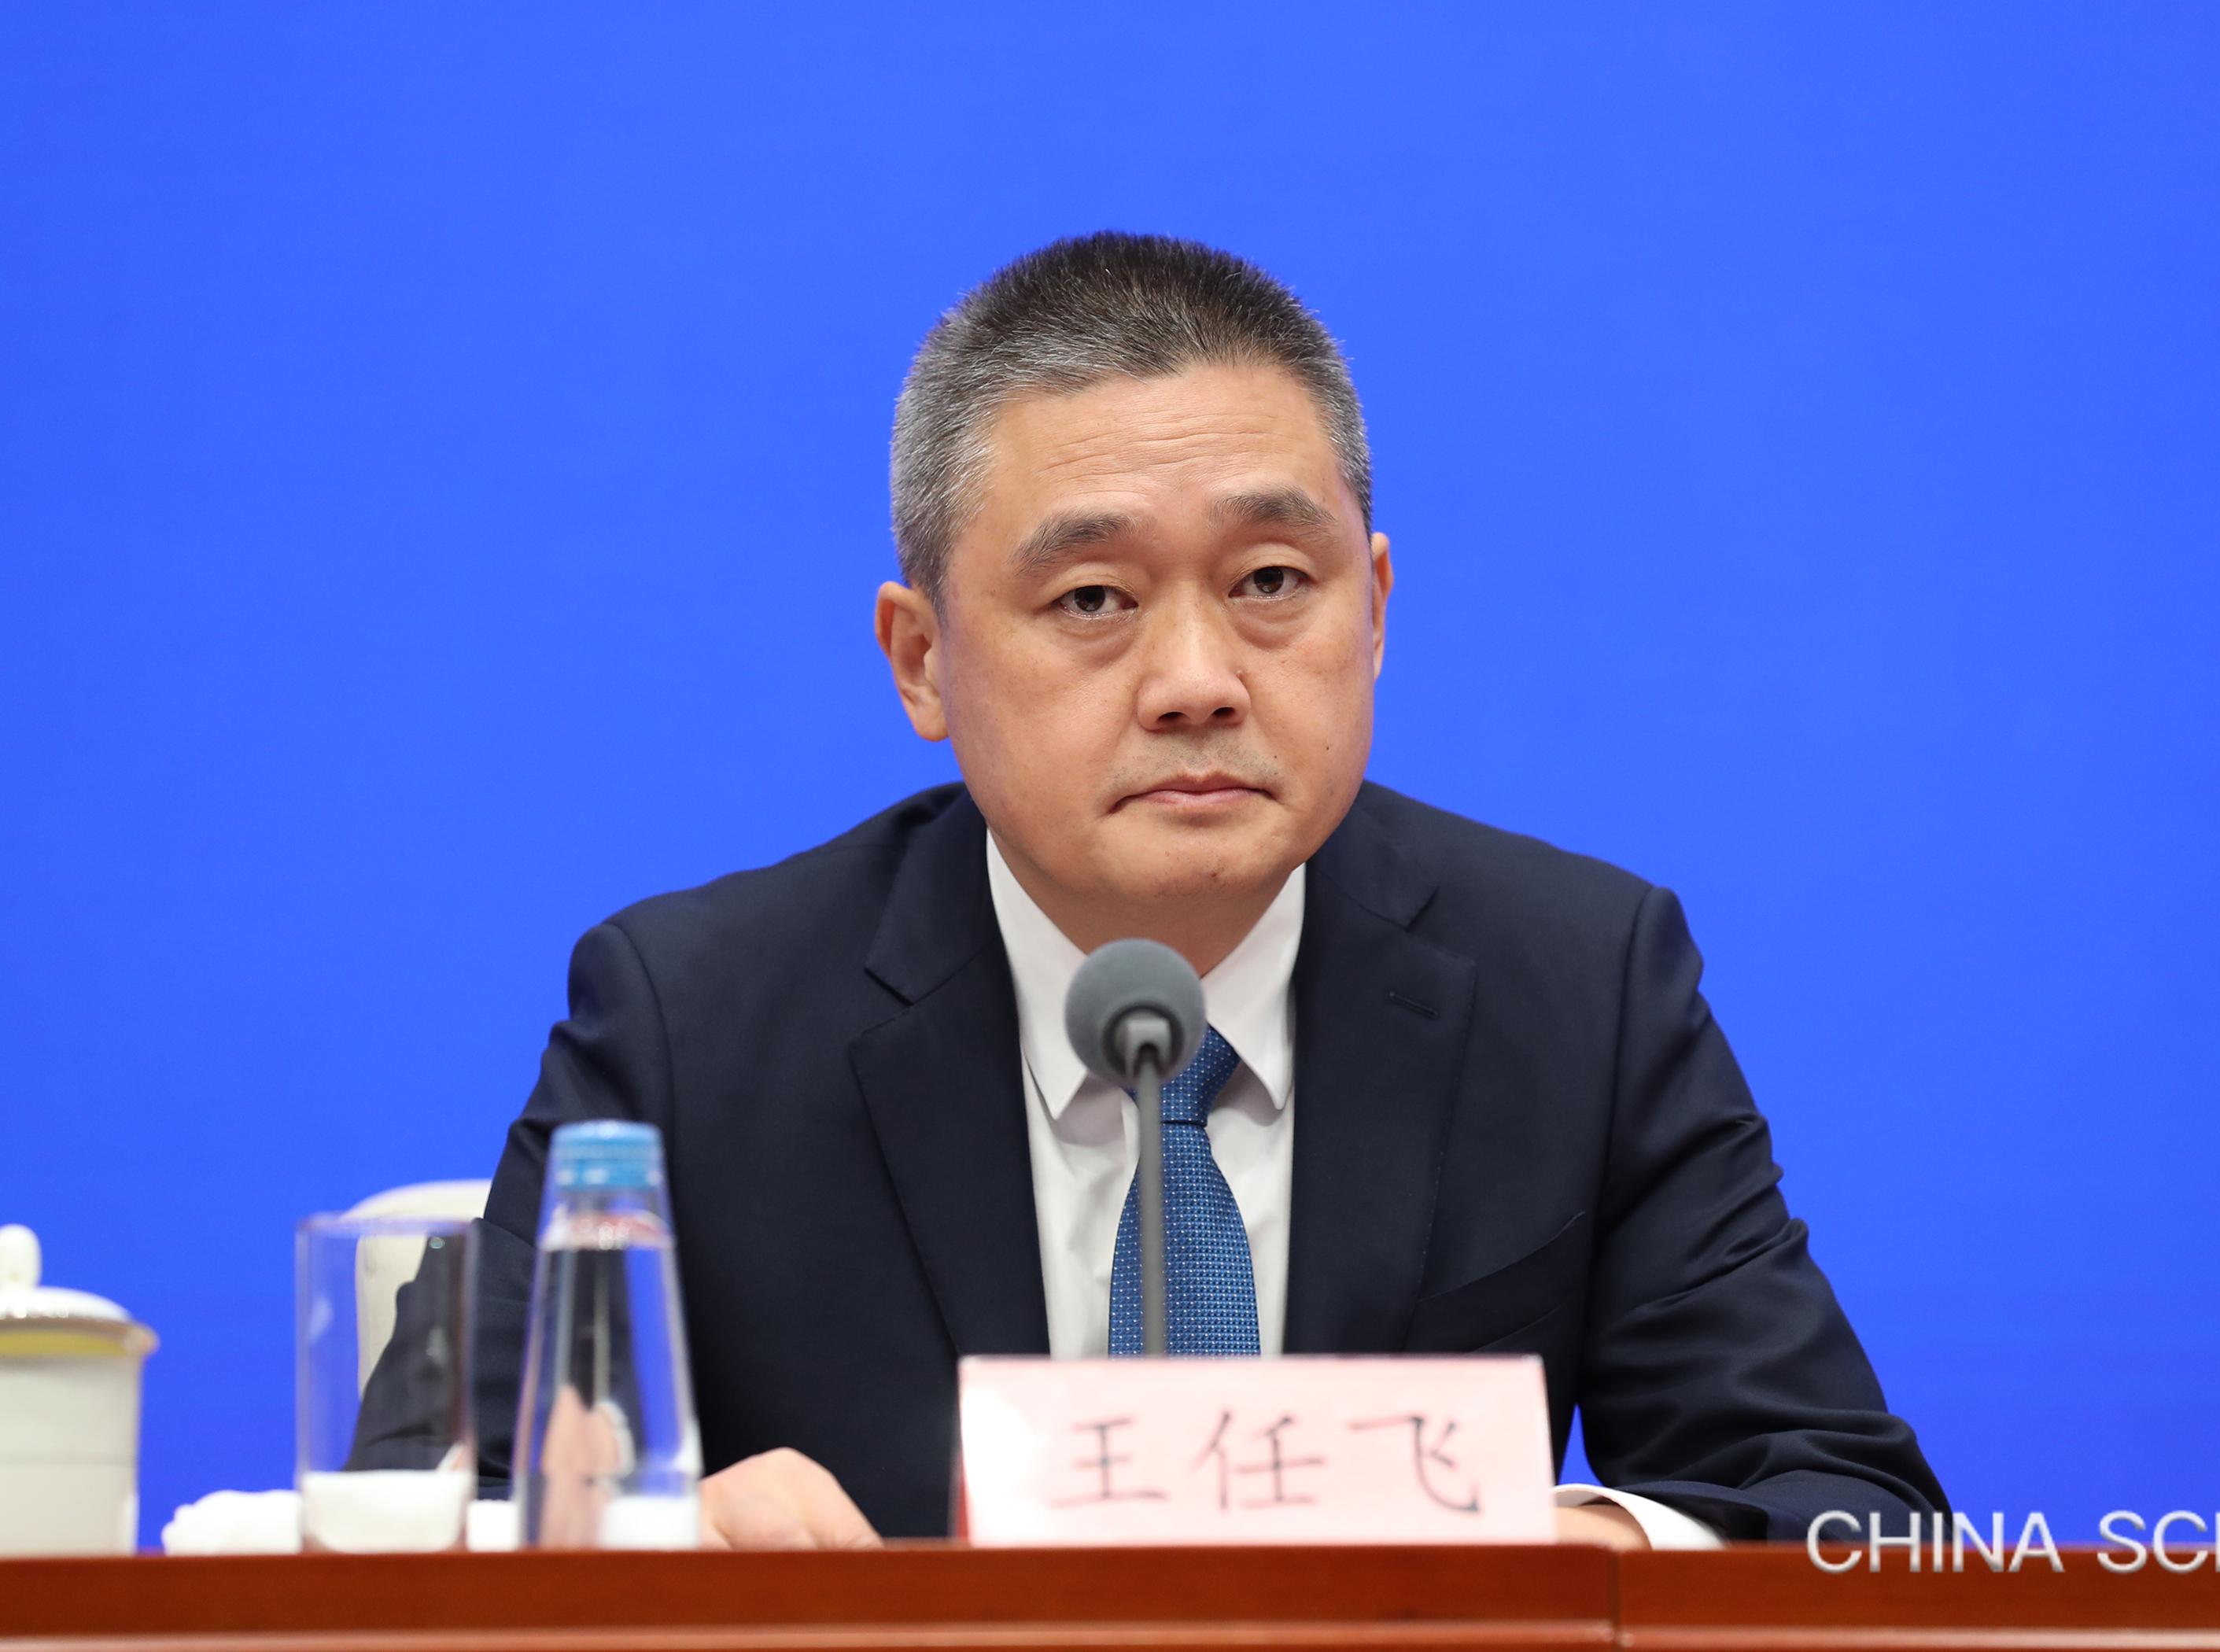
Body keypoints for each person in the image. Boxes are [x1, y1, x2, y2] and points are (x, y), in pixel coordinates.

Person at [456, 231, 1944, 1549]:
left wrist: (1592, 1549)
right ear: (922, 660)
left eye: (1271, 582)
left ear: (1375, 612)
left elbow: (1852, 1513)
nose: (1196, 681)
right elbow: (417, 1503)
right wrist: (643, 1542)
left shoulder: (1579, 982)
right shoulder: (694, 1023)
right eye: (1093, 599)